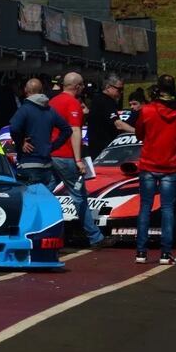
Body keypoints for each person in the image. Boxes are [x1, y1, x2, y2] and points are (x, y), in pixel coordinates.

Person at [50, 72, 114, 248]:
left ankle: (50, 230)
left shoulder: (52, 102)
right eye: (82, 85)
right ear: (76, 86)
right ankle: (95, 236)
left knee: (47, 192)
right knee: (79, 197)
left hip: (51, 154)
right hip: (66, 156)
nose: (84, 88)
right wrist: (78, 160)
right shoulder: (73, 104)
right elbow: (75, 131)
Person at [134, 74, 176, 265]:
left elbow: (139, 133)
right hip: (170, 163)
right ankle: (165, 252)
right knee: (167, 208)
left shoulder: (148, 110)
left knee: (145, 207)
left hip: (149, 162)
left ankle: (141, 251)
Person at [10, 78, 72, 188]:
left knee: (29, 201)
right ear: (42, 90)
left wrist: (21, 142)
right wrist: (52, 146)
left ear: (25, 90)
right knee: (43, 200)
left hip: (29, 163)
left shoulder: (25, 109)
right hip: (47, 166)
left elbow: (14, 128)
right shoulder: (50, 110)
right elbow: (67, 130)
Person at [86, 73, 136, 160]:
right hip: (103, 151)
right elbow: (118, 124)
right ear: (108, 87)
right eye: (119, 89)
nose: (121, 92)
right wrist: (138, 132)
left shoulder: (98, 99)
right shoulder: (106, 101)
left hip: (97, 149)